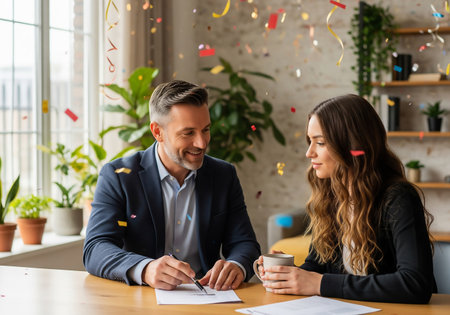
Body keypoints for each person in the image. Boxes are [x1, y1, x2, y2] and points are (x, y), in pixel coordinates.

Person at [257, 94, 436, 303]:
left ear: (351, 145)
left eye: (320, 143)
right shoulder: (331, 196)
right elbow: (317, 266)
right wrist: (290, 275)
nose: (309, 153)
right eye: (310, 141)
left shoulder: (398, 198)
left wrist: (318, 283)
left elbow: (415, 284)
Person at [83, 80, 261, 291]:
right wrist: (145, 268)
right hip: (141, 298)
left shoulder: (223, 175)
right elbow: (95, 248)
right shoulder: (119, 176)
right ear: (157, 132)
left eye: (205, 130)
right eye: (188, 133)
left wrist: (236, 266)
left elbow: (245, 244)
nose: (202, 143)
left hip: (208, 298)